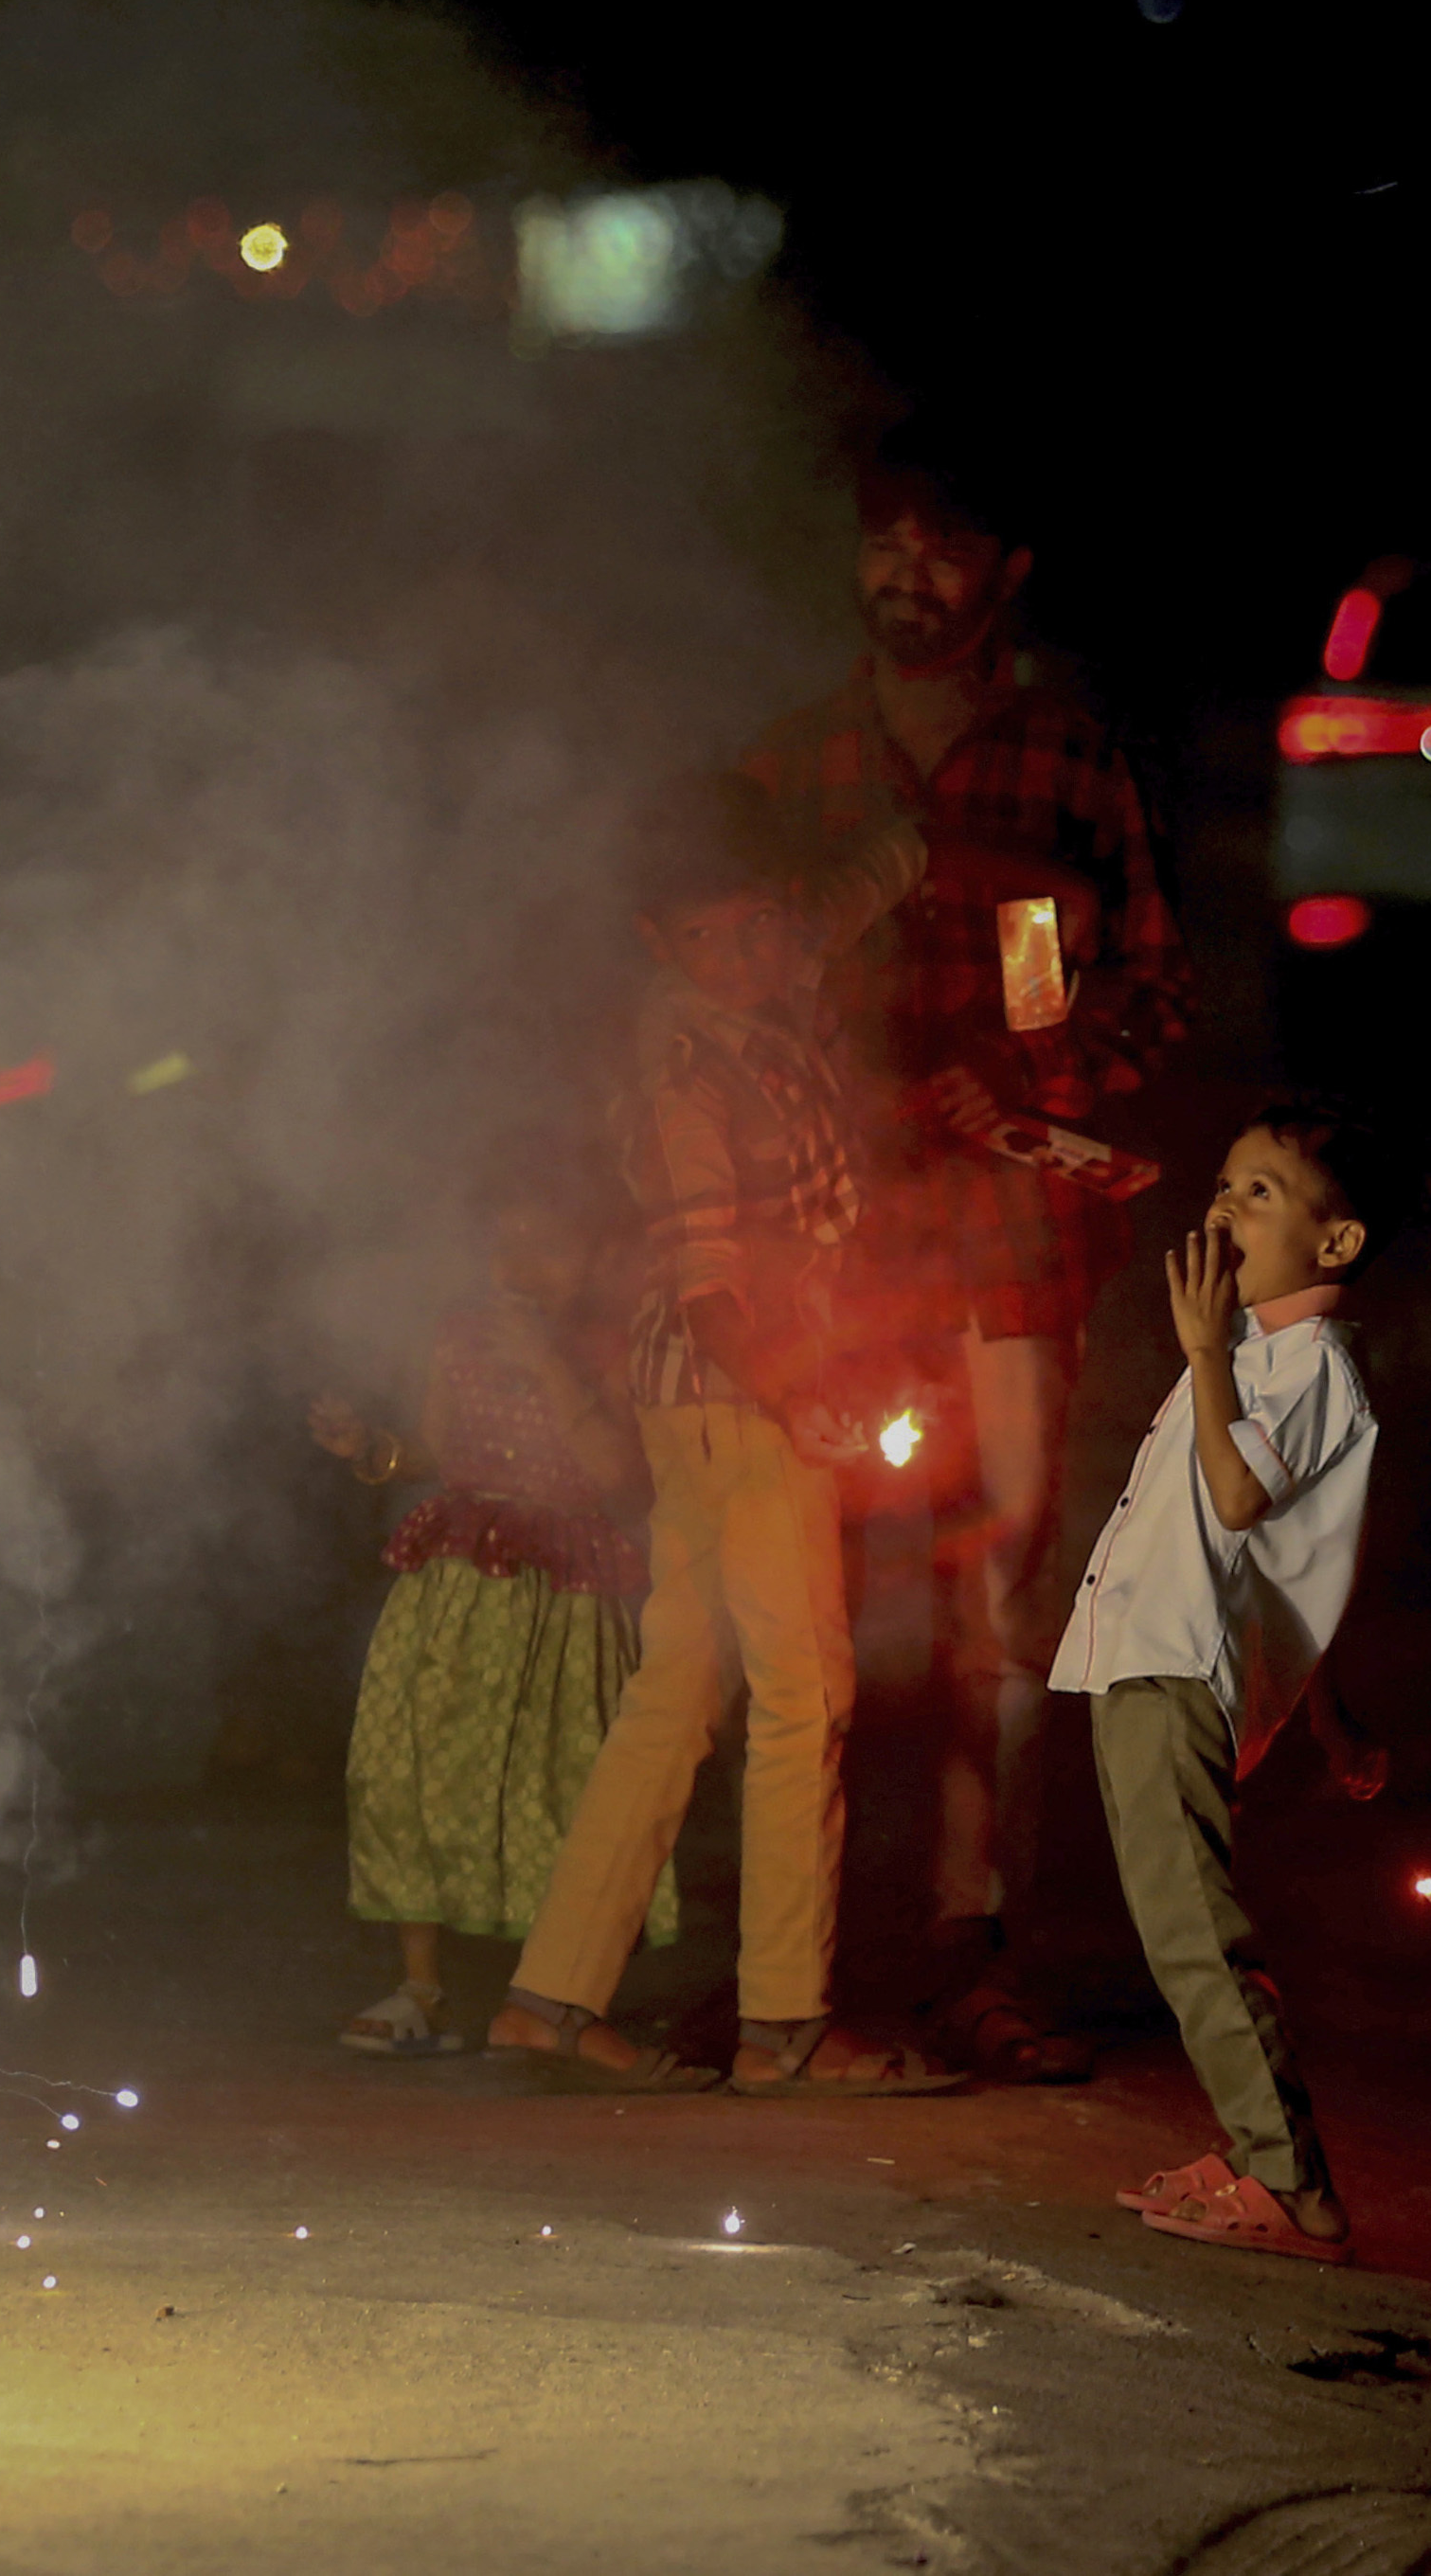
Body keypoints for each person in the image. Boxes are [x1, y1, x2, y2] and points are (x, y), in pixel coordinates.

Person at [736, 432, 1187, 2080]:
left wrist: (1024, 1074)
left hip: (1008, 1240)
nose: (901, 574)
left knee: (992, 1601)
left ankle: (971, 1948)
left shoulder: (1065, 760)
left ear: (1003, 573)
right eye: (882, 546)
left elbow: (1145, 988)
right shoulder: (789, 775)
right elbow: (712, 992)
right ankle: (797, 1963)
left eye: (939, 547)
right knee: (814, 1606)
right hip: (828, 1258)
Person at [484, 778, 948, 2098]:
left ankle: (549, 1996)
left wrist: (915, 834)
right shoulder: (685, 1076)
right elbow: (707, 1280)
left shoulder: (768, 987)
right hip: (734, 1396)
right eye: (713, 938)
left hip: (697, 1405)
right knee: (805, 1694)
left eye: (761, 928)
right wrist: (798, 1391)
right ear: (653, 939)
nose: (749, 956)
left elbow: (847, 898)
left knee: (677, 1688)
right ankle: (784, 2027)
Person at [1056, 1100, 1394, 2261]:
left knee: (1195, 1931)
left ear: (1335, 1242)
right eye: (1222, 1185)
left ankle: (1293, 2186)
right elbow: (1286, 1564)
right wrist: (1332, 1716)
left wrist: (1204, 1355)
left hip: (1174, 1668)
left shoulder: (1306, 1367)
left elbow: (1243, 1502)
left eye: (1260, 1190)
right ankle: (1264, 2156)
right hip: (1149, 1657)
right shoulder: (1255, 1359)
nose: (1224, 1206)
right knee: (1182, 1926)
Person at [307, 1184, 665, 2057]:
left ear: (590, 1257)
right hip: (458, 1576)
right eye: (506, 1246)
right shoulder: (459, 1332)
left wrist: (550, 1364)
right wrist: (370, 1449)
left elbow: (624, 1481)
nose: (522, 1268)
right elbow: (429, 1447)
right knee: (414, 1771)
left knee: (562, 1783)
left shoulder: (611, 1346)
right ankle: (420, 1988)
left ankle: (557, 1999)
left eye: (547, 1246)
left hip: (566, 1591)